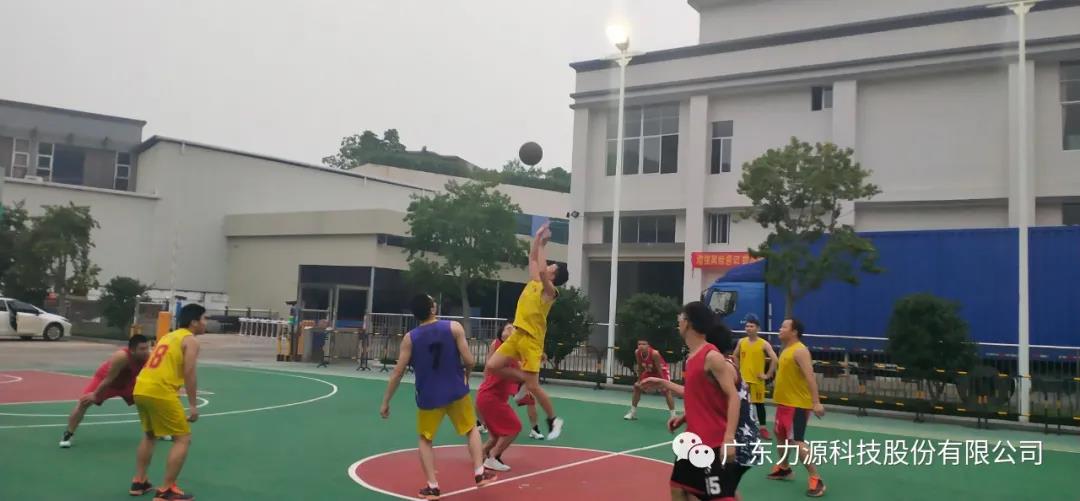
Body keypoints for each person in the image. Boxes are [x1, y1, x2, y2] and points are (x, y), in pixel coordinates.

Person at [380, 294, 496, 500]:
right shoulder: (454, 327)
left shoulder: (410, 338)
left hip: (429, 396)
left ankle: (433, 486)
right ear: (432, 309)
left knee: (425, 439)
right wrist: (467, 376)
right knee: (471, 429)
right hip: (456, 391)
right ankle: (479, 472)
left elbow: (397, 372)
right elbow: (469, 360)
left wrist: (386, 401)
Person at [642, 302, 757, 501]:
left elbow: (733, 397)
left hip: (712, 442)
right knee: (678, 488)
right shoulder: (691, 358)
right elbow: (698, 395)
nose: (678, 322)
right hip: (691, 441)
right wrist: (666, 387)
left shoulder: (712, 357)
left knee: (718, 496)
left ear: (688, 323)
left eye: (680, 318)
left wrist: (729, 438)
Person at [484, 222, 568, 440]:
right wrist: (537, 238)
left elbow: (540, 268)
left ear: (554, 274)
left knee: (535, 387)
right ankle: (523, 381)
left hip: (531, 341)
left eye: (552, 266)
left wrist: (543, 244)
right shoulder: (534, 282)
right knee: (492, 366)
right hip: (517, 334)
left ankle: (553, 419)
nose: (548, 266)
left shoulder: (551, 291)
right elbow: (532, 259)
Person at [129, 304, 207, 501]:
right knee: (182, 438)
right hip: (160, 390)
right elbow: (189, 372)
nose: (205, 323)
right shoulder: (190, 340)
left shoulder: (168, 336)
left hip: (141, 387)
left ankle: (139, 481)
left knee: (150, 435)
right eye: (204, 319)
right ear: (194, 322)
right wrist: (193, 405)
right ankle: (166, 490)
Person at [767, 318, 826, 498]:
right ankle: (784, 468)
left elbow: (810, 377)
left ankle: (816, 478)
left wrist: (816, 402)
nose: (780, 329)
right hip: (784, 404)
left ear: (794, 332)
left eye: (784, 327)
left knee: (797, 441)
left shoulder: (800, 351)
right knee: (781, 436)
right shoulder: (785, 349)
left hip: (797, 405)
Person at [59, 334, 151, 448]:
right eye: (142, 349)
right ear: (132, 350)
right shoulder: (122, 357)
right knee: (84, 402)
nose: (146, 351)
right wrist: (95, 395)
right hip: (106, 381)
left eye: (147, 348)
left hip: (127, 382)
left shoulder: (149, 357)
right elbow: (109, 379)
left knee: (149, 401)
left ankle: (158, 431)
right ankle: (68, 434)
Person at [475, 323, 526, 471]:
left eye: (513, 328)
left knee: (496, 436)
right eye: (507, 328)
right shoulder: (501, 350)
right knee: (515, 427)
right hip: (490, 397)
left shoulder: (513, 353)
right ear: (501, 336)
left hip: (490, 397)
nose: (512, 330)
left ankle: (480, 456)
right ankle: (493, 457)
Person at [732, 314, 777, 439]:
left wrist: (767, 375)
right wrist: (737, 369)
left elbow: (774, 359)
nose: (748, 328)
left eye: (751, 326)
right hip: (744, 380)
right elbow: (735, 355)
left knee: (759, 405)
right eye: (747, 326)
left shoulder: (764, 344)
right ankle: (741, 427)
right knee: (742, 404)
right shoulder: (741, 342)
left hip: (757, 380)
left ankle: (762, 429)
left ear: (758, 328)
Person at [624, 339, 677, 421]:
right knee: (636, 387)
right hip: (649, 371)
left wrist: (663, 383)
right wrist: (639, 380)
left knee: (667, 391)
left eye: (644, 344)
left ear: (648, 346)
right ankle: (632, 413)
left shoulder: (655, 353)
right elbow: (640, 367)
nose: (641, 346)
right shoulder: (637, 352)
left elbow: (659, 369)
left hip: (661, 372)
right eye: (639, 344)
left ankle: (673, 416)